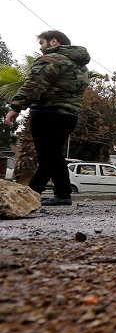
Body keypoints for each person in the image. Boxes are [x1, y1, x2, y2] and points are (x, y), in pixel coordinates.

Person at [4, 31, 89, 206]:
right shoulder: (80, 66)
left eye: (42, 43)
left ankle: (32, 194)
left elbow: (34, 84)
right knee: (52, 156)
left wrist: (15, 107)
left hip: (47, 113)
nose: (40, 48)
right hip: (69, 116)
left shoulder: (50, 60)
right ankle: (61, 194)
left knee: (48, 156)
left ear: (53, 42)